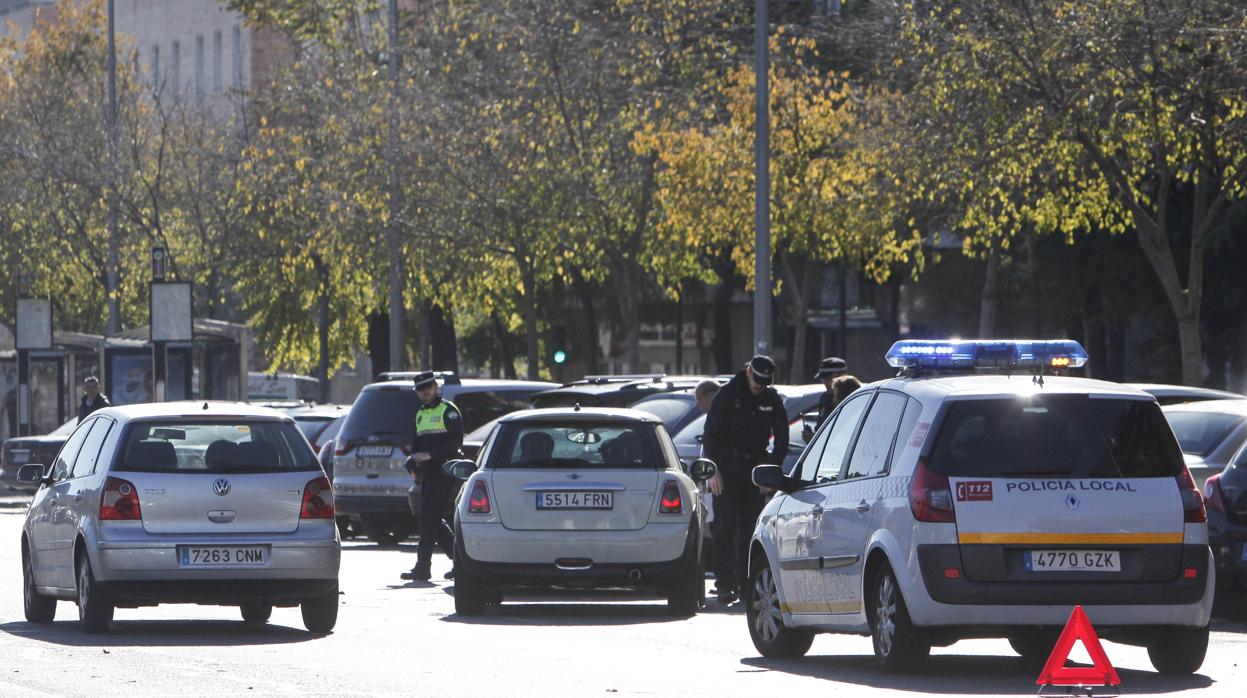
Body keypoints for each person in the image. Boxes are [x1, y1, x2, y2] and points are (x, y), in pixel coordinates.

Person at [702, 355, 789, 603]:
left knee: (750, 530)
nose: (759, 387)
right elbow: (710, 435)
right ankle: (724, 584)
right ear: (748, 371)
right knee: (724, 527)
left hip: (755, 470)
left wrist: (770, 472)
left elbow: (781, 439)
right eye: (756, 381)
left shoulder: (770, 399)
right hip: (727, 468)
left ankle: (745, 584)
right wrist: (713, 470)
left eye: (764, 383)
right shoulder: (728, 395)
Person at [400, 372, 464, 582]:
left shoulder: (448, 410)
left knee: (429, 518)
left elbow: (455, 443)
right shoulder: (420, 413)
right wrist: (412, 459)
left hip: (445, 471)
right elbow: (417, 444)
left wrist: (431, 455)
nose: (425, 391)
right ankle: (461, 563)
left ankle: (423, 567)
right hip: (427, 473)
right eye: (421, 389)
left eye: (429, 387)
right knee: (432, 520)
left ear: (436, 387)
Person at [805, 357, 848, 442]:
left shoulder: (851, 399)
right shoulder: (824, 398)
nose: (823, 382)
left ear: (835, 377)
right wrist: (811, 438)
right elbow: (821, 429)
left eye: (825, 378)